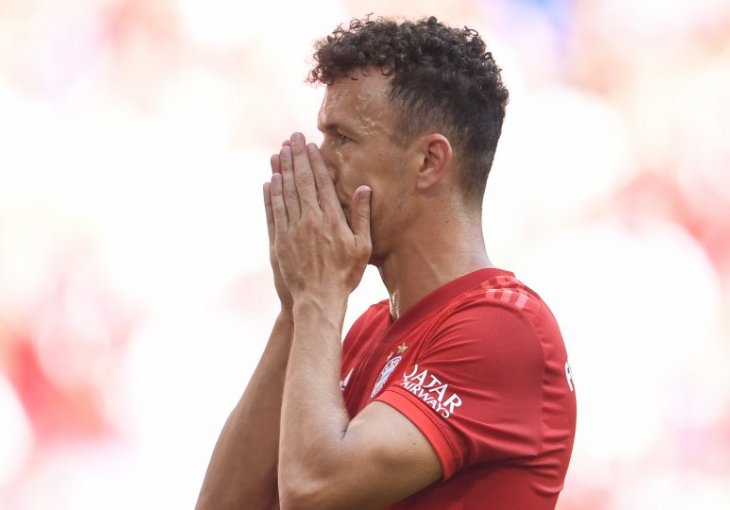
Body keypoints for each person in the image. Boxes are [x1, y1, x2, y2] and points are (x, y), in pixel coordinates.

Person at [196, 15, 576, 510]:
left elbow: (313, 490)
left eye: (343, 138)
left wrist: (316, 297)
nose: (319, 161)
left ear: (428, 162)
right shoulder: (370, 329)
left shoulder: (504, 327)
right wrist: (293, 310)